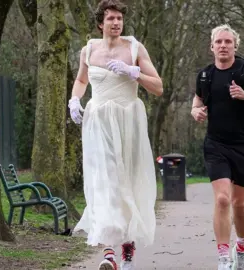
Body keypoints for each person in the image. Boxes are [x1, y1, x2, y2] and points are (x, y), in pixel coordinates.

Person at [68, 1, 163, 269]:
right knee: (105, 183)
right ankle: (109, 254)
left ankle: (128, 251)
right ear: (101, 23)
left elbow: (158, 87)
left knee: (127, 183)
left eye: (119, 18)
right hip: (98, 123)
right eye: (110, 18)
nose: (116, 22)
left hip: (128, 120)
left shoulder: (134, 47)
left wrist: (135, 73)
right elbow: (81, 80)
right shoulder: (88, 50)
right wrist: (74, 100)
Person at [191, 24, 244, 270]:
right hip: (215, 145)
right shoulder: (205, 75)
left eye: (228, 42)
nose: (223, 46)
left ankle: (241, 247)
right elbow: (197, 99)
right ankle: (224, 257)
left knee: (239, 204)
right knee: (223, 200)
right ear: (212, 46)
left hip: (243, 145)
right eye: (219, 42)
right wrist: (195, 110)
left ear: (235, 46)